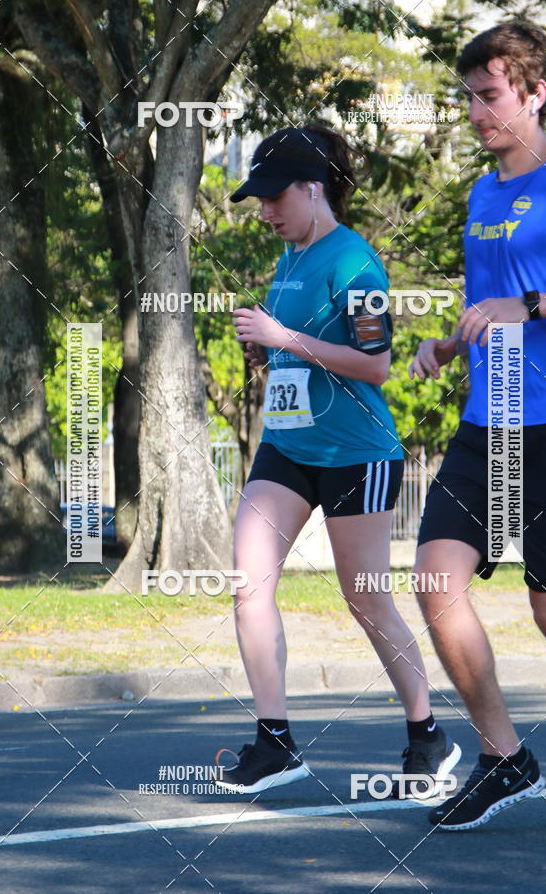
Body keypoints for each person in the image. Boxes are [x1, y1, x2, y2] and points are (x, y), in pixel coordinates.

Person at [214, 124, 461, 796]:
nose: (263, 210)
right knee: (249, 583)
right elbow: (301, 351)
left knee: (365, 599)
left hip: (357, 452)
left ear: (312, 188)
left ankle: (427, 734)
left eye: (272, 197)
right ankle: (276, 741)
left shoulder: (357, 263)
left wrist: (282, 334)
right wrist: (270, 352)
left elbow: (376, 366)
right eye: (258, 198)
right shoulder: (289, 260)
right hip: (287, 447)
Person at [408, 21, 546, 831]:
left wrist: (530, 306)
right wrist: (449, 341)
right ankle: (504, 757)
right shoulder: (482, 195)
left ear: (535, 90)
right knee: (434, 580)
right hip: (491, 421)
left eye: (490, 96)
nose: (477, 113)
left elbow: (533, 302)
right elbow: (487, 304)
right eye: (469, 98)